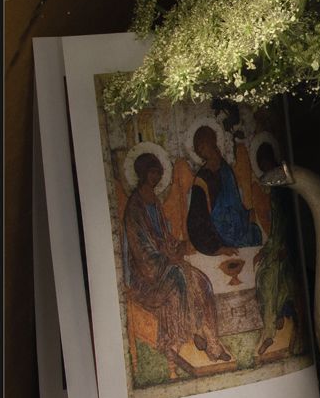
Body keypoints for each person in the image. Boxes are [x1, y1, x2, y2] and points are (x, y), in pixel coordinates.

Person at [123, 152, 230, 368]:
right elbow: (140, 249)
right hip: (147, 273)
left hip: (165, 263)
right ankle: (184, 339)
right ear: (142, 173)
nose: (155, 177)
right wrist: (165, 258)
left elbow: (164, 237)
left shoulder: (155, 202)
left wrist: (178, 246)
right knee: (179, 277)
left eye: (158, 173)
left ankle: (211, 341)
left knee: (202, 282)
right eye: (152, 172)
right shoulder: (134, 207)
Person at [186, 125, 262, 255]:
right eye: (198, 148)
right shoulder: (202, 178)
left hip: (237, 224)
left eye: (203, 145)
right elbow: (196, 218)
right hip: (218, 232)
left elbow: (235, 201)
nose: (201, 151)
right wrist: (216, 248)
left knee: (254, 233)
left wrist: (245, 215)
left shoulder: (226, 169)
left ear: (212, 141)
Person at [253, 142, 298, 356]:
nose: (266, 168)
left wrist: (286, 247)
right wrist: (265, 250)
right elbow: (275, 229)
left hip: (287, 249)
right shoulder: (274, 192)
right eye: (262, 166)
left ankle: (271, 334)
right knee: (262, 277)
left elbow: (289, 222)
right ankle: (274, 323)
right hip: (277, 246)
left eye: (267, 162)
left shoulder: (285, 189)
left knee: (272, 280)